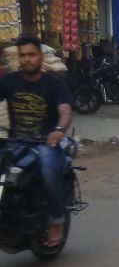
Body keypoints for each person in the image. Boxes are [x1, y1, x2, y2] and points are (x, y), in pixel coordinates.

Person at [0, 35, 73, 247]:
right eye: (22, 55)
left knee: (48, 169)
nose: (27, 59)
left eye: (31, 54)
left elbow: (65, 111)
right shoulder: (10, 81)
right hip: (16, 142)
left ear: (40, 56)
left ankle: (56, 220)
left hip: (46, 143)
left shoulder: (54, 84)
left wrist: (59, 130)